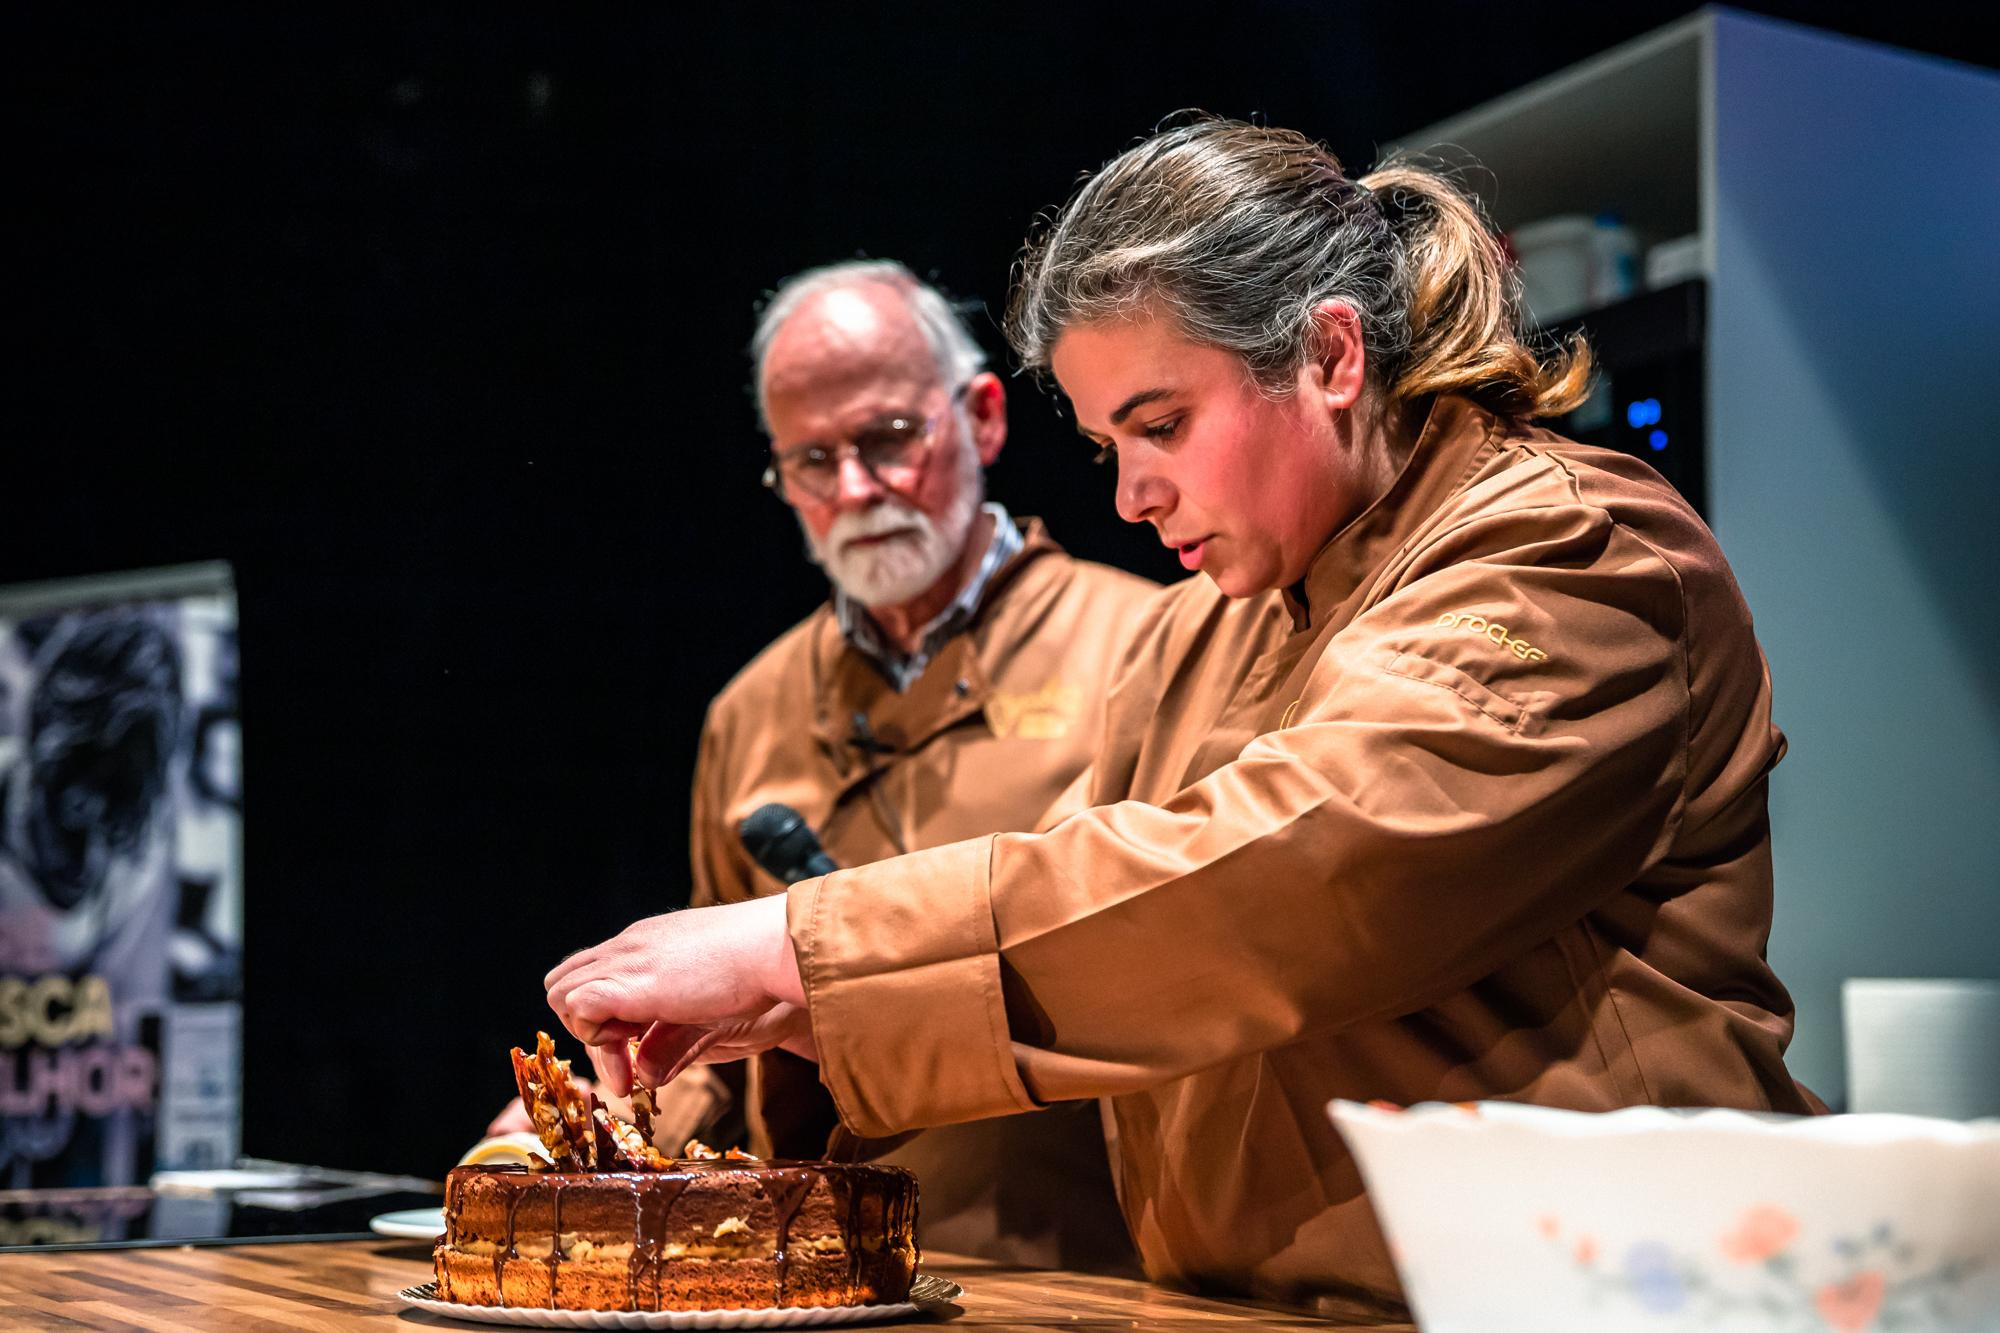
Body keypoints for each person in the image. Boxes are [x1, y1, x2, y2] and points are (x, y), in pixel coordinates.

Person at [544, 121, 1821, 1318]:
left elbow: (1302, 872)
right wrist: (789, 1009)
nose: (1132, 496)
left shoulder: (1570, 553)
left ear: (1329, 354)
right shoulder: (1198, 626)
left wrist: (796, 947)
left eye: (1161, 424)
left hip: (1576, 1307)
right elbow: (1089, 924)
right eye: (1107, 445)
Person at [501, 260, 1154, 1272]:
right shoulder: (748, 708)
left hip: (1076, 1274)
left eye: (888, 439)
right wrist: (589, 1118)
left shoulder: (1148, 645)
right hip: (804, 1283)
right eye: (810, 460)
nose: (854, 489)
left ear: (982, 418)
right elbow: (710, 1053)